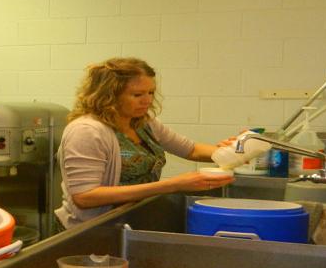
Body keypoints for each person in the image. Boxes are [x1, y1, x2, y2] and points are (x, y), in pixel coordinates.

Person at [55, 57, 237, 229]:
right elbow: (84, 197)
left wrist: (236, 151)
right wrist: (173, 184)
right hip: (90, 229)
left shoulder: (144, 123)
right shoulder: (87, 131)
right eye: (137, 94)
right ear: (109, 96)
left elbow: (192, 150)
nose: (148, 100)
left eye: (150, 92)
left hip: (128, 221)